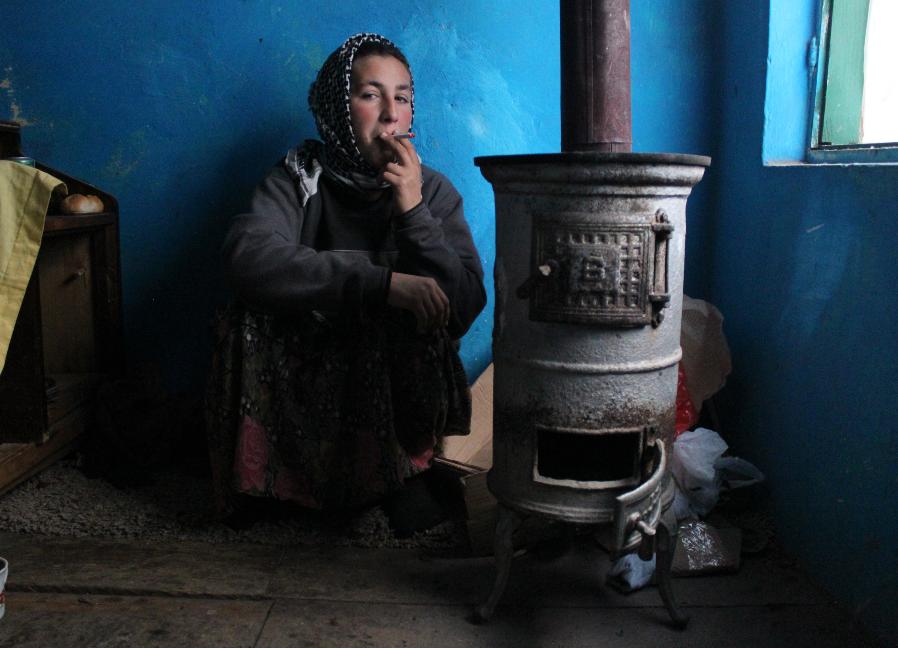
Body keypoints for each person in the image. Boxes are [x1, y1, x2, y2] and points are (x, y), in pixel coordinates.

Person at [205, 33, 486, 533]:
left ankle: (402, 477)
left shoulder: (433, 190)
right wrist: (379, 283)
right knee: (248, 313)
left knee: (413, 314)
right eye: (370, 94)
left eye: (402, 97)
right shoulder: (298, 177)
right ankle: (276, 485)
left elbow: (462, 305)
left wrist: (414, 212)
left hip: (389, 371)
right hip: (307, 364)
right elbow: (247, 258)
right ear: (339, 106)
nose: (390, 114)